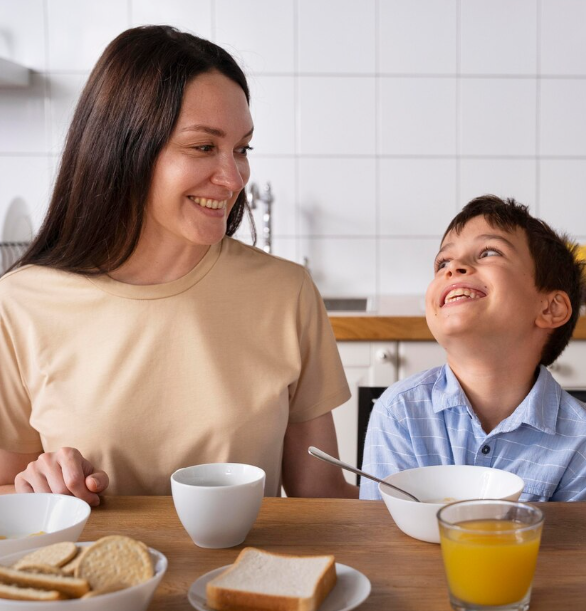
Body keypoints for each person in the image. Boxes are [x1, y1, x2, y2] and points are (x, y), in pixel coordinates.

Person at [0, 25, 357, 503]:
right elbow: (10, 490)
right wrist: (35, 489)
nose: (233, 178)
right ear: (124, 149)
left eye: (242, 149)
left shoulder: (286, 293)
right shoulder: (20, 305)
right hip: (96, 578)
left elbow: (323, 498)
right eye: (204, 147)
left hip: (243, 579)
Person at [359, 196, 586, 502]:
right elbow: (384, 539)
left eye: (489, 252)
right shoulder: (399, 412)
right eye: (443, 262)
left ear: (550, 308)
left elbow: (564, 550)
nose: (454, 267)